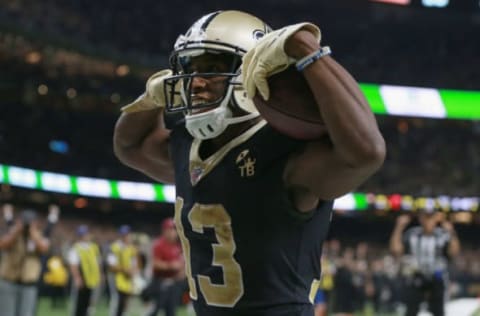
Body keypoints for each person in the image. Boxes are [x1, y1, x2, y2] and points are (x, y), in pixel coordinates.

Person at [113, 10, 385, 316]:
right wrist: (152, 96)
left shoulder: (285, 149)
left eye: (212, 68)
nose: (196, 83)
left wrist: (306, 49)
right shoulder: (186, 144)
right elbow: (127, 146)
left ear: (251, 71)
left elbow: (367, 153)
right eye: (191, 69)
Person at [389, 212, 461, 316]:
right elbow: (396, 250)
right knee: (411, 311)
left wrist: (451, 231)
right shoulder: (412, 234)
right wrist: (399, 227)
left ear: (435, 220)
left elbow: (454, 252)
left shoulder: (442, 235)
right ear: (421, 219)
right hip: (416, 277)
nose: (428, 222)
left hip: (437, 277)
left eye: (431, 218)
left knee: (438, 311)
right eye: (425, 218)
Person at [0, 208, 50, 316]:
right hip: (9, 281)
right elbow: (3, 245)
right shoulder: (12, 232)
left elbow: (44, 248)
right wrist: (16, 231)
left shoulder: (39, 235)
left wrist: (33, 233)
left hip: (29, 284)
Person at [143, 217, 185, 316]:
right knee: (154, 309)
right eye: (170, 229)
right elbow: (155, 264)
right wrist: (171, 266)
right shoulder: (159, 244)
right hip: (159, 281)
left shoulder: (177, 246)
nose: (172, 232)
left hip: (174, 283)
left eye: (174, 229)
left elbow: (182, 265)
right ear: (164, 231)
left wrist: (182, 272)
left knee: (171, 311)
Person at [67, 224, 103, 316]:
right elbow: (73, 264)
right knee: (78, 305)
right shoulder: (76, 248)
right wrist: (77, 278)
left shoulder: (93, 247)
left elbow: (97, 262)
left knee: (89, 306)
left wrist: (100, 275)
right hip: (82, 280)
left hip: (92, 280)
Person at [107, 224, 138, 316]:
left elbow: (135, 264)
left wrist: (133, 271)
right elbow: (111, 266)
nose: (127, 236)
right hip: (116, 279)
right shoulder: (115, 247)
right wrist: (126, 270)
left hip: (128, 279)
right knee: (116, 303)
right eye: (125, 234)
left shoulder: (132, 248)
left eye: (128, 234)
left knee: (125, 305)